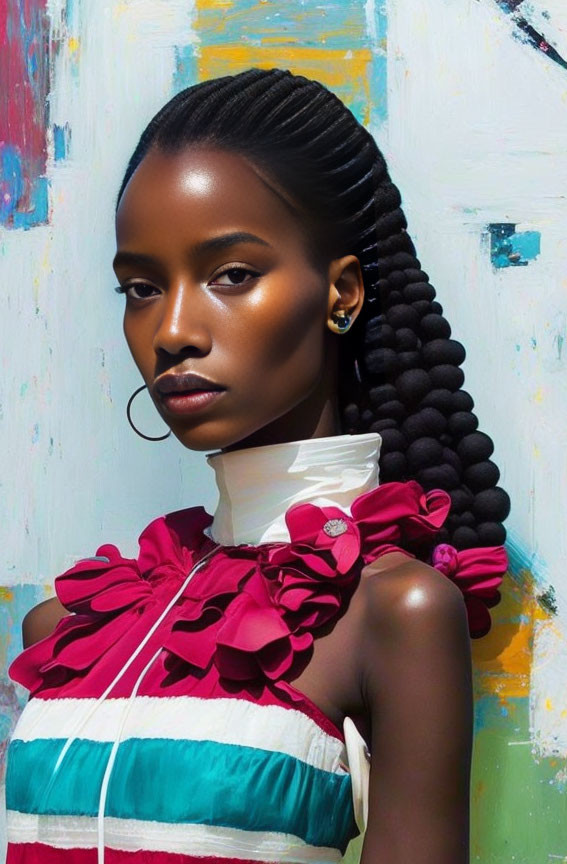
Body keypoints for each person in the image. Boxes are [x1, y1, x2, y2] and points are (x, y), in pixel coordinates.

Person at [5, 68, 509, 864]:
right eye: (141, 287)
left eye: (231, 274)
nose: (172, 329)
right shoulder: (72, 632)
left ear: (341, 294)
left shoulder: (391, 613)